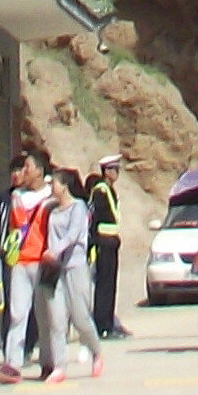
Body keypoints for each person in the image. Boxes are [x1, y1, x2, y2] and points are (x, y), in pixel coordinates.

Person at [0, 152, 62, 384]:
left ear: (39, 171)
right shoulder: (15, 197)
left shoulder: (51, 198)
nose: (22, 172)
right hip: (20, 262)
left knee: (45, 315)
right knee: (17, 312)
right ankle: (12, 362)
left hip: (42, 262)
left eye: (27, 167)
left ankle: (48, 361)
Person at [49, 167, 101, 380]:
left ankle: (96, 352)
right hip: (57, 270)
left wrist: (55, 250)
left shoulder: (78, 207)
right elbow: (51, 236)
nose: (52, 187)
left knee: (80, 317)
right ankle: (59, 366)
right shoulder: (52, 211)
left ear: (64, 186)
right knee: (57, 319)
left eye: (54, 183)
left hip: (76, 267)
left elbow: (72, 235)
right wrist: (51, 257)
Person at [89, 163, 127, 338]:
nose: (116, 173)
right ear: (106, 171)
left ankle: (108, 323)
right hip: (103, 241)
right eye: (113, 169)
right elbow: (97, 218)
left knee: (110, 284)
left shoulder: (110, 190)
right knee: (103, 285)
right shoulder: (100, 191)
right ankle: (101, 325)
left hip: (111, 241)